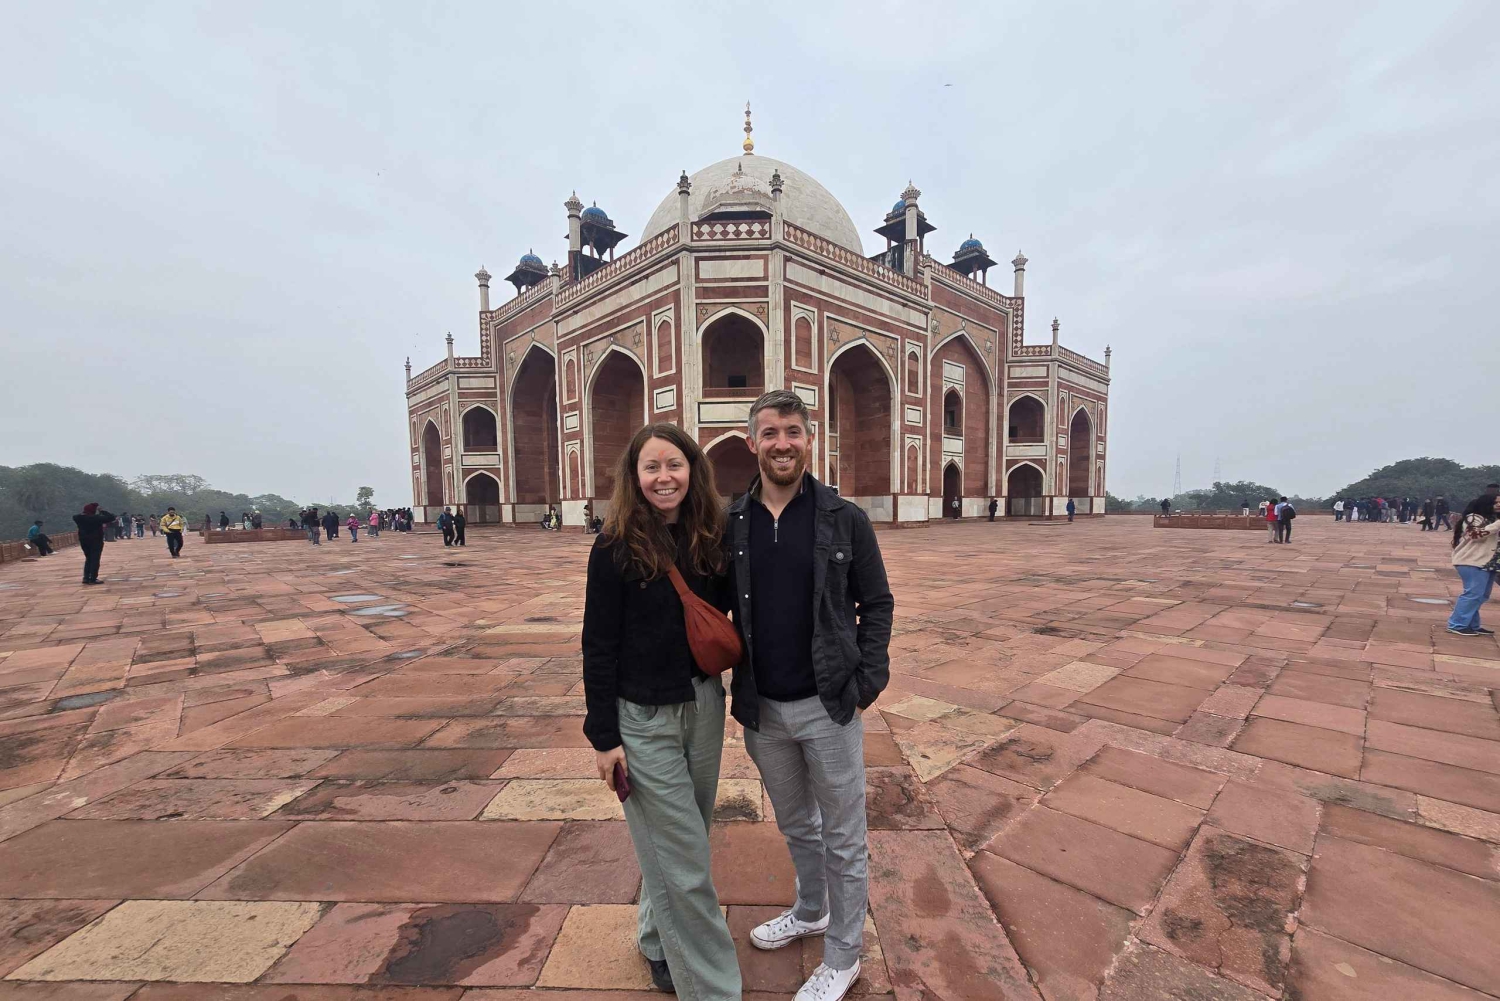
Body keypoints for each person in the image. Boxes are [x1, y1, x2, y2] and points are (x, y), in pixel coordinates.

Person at [727, 390, 894, 1001]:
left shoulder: (844, 519)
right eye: (770, 433)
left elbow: (877, 603)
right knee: (798, 823)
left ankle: (844, 956)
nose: (782, 444)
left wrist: (866, 683)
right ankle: (811, 909)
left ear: (809, 438)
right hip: (763, 710)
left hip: (828, 705)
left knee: (845, 837)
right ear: (752, 442)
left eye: (793, 432)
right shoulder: (732, 522)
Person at [582, 422, 740, 1000]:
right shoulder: (615, 547)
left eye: (674, 464)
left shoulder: (709, 538)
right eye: (651, 467)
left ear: (693, 469)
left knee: (682, 841)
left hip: (703, 706)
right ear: (635, 475)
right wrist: (605, 738)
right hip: (642, 720)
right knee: (685, 862)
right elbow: (598, 646)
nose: (664, 477)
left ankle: (656, 940)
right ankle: (714, 990)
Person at [1446, 494, 1500, 636]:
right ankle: (1457, 624)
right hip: (1472, 561)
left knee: (1481, 596)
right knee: (1473, 594)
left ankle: (1471, 624)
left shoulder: (1493, 519)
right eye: (1496, 502)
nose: (1499, 505)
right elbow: (1475, 535)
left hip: (1489, 563)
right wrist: (1497, 524)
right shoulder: (1474, 518)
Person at [72, 503, 115, 585]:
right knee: (95, 559)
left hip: (84, 540)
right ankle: (93, 578)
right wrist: (102, 511)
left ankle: (86, 578)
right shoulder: (96, 518)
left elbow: (77, 515)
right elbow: (111, 517)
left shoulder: (77, 518)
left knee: (88, 558)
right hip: (96, 540)